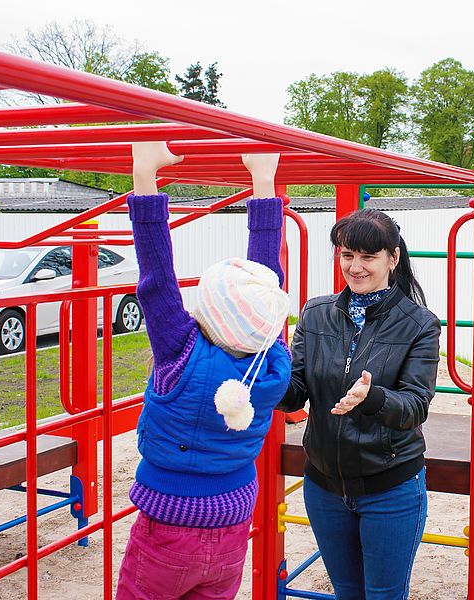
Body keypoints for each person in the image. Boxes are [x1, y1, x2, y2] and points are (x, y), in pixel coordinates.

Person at [115, 142, 291, 600]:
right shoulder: (271, 355)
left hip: (168, 527)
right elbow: (266, 279)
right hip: (233, 526)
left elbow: (157, 277)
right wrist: (264, 181)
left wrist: (144, 172)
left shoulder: (181, 352)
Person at [278, 208, 441, 600]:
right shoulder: (316, 314)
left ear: (392, 258)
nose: (355, 267)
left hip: (390, 485)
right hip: (323, 484)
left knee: (383, 594)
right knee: (347, 592)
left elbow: (415, 405)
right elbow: (295, 392)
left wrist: (374, 398)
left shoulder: (420, 324)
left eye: (368, 257)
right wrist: (260, 373)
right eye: (347, 255)